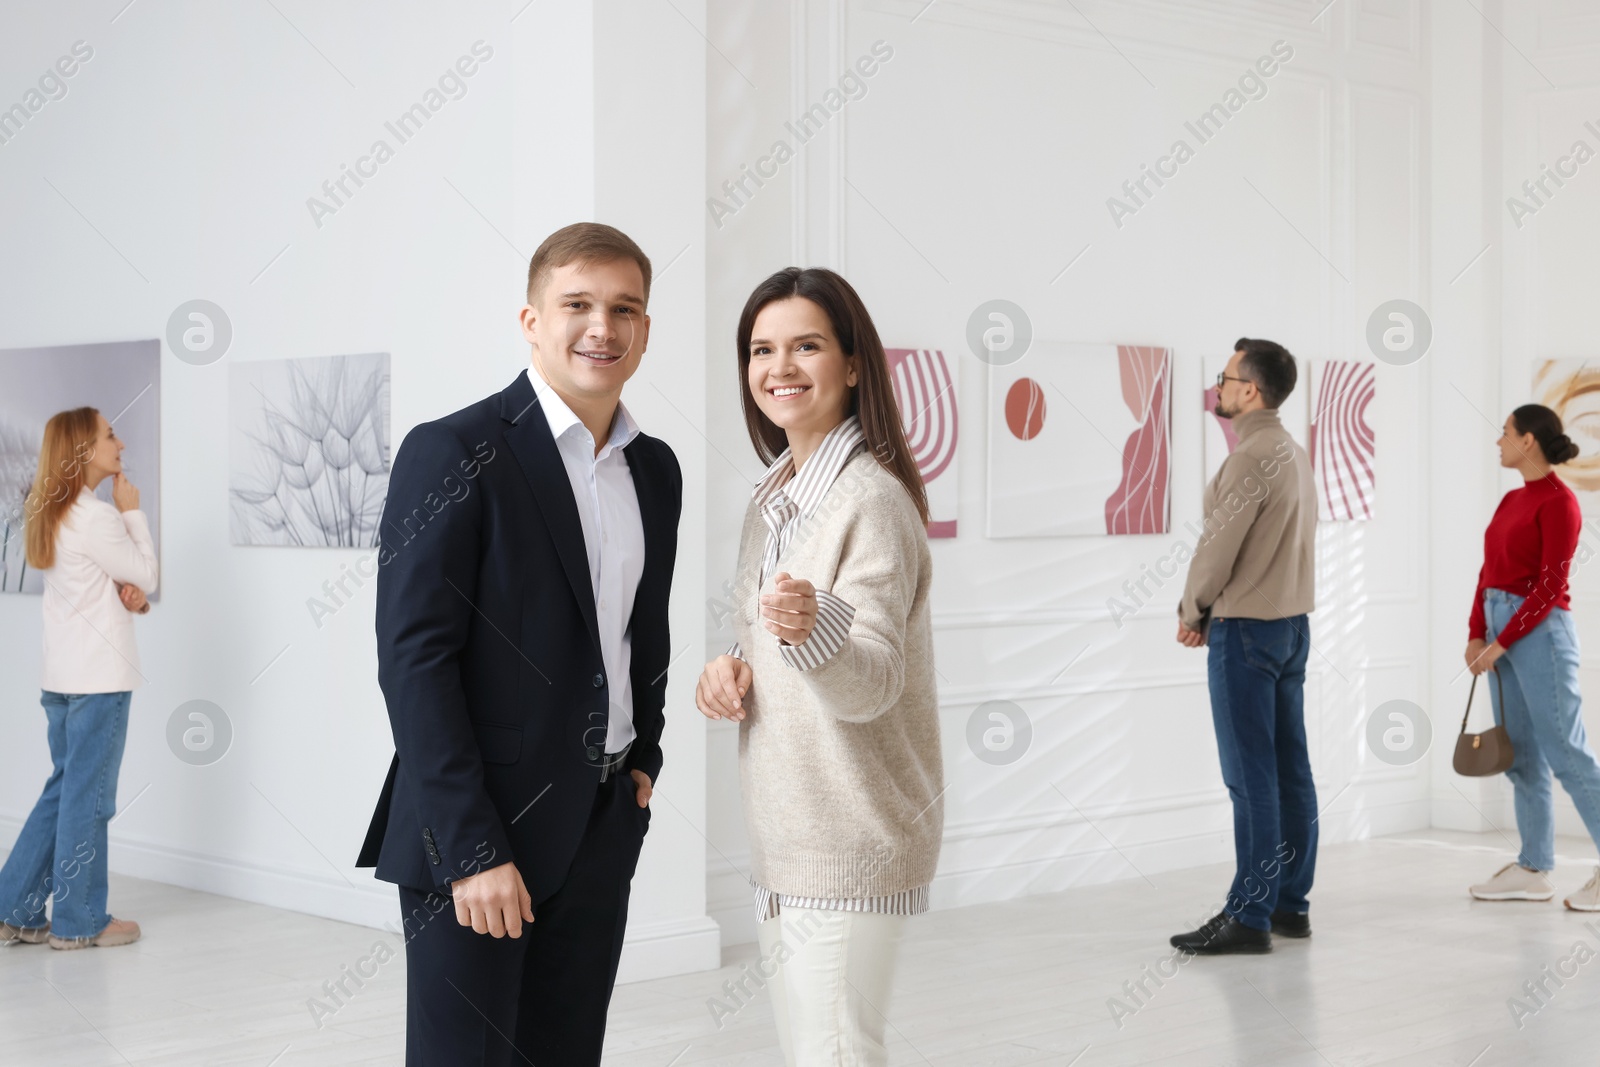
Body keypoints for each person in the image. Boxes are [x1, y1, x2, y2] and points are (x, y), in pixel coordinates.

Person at [355, 222, 682, 1066]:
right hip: (479, 837)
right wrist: (474, 852)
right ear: (532, 320)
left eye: (624, 308)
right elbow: (414, 660)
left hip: (603, 822)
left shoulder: (656, 468)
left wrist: (644, 754)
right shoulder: (453, 450)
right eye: (577, 304)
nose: (601, 327)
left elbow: (641, 627)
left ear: (644, 329)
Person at [694, 267, 943, 1065]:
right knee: (820, 1047)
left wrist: (811, 630)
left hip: (851, 830)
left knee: (834, 1051)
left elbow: (873, 681)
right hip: (791, 831)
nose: (780, 367)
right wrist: (732, 668)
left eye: (807, 345)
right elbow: (766, 637)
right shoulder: (774, 498)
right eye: (761, 349)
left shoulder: (870, 500)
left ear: (854, 363)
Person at [1170, 338, 1317, 955]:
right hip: (1291, 626)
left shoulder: (1251, 456)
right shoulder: (1293, 451)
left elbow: (1217, 551)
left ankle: (1249, 916)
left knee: (1249, 777)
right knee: (1290, 771)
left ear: (1250, 391)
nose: (1219, 388)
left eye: (1227, 378)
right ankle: (1289, 905)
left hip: (1246, 630)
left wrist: (1192, 609)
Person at [0, 407, 154, 950]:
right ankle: (79, 918)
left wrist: (128, 598)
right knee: (88, 800)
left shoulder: (53, 512)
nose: (121, 442)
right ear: (84, 450)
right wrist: (132, 513)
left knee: (65, 792)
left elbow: (103, 589)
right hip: (98, 680)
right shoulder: (98, 516)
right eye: (110, 435)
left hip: (61, 677)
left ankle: (13, 907)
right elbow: (147, 574)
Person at [1464, 405, 1600, 911]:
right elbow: (1488, 572)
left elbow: (1549, 587)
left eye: (1504, 434)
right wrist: (1477, 634)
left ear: (1528, 441)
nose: (1498, 442)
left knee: (1567, 753)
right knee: (1520, 755)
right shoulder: (1510, 500)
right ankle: (1534, 868)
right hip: (1501, 625)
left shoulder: (1560, 503)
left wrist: (1502, 641)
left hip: (1540, 632)